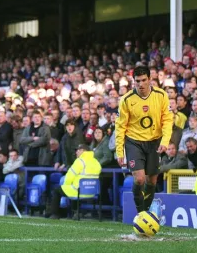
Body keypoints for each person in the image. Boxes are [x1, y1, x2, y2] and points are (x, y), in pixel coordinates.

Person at [115, 66, 173, 213]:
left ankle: (146, 212)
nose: (140, 84)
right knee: (139, 179)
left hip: (155, 141)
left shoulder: (161, 95)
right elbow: (120, 126)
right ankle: (140, 212)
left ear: (150, 80)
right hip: (134, 141)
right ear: (133, 82)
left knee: (152, 180)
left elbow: (167, 119)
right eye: (137, 81)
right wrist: (119, 151)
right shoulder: (126, 99)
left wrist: (165, 141)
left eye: (143, 80)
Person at [47, 144, 101, 219]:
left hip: (79, 191)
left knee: (57, 190)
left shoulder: (80, 161)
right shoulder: (96, 162)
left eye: (78, 150)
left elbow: (69, 176)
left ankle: (55, 214)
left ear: (83, 151)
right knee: (73, 189)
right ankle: (76, 212)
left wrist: (65, 186)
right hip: (93, 192)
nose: (76, 152)